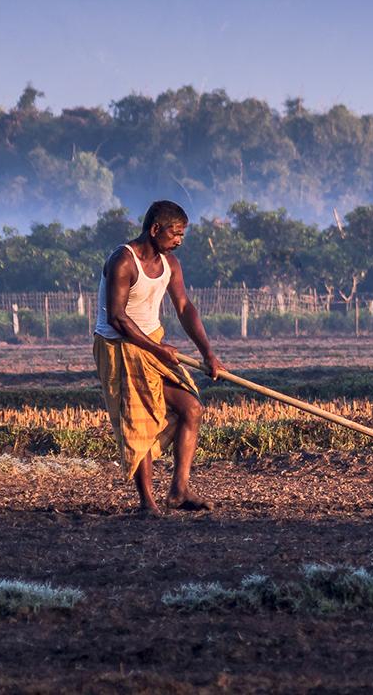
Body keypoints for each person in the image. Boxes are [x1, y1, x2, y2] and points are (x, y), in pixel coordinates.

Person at [92, 200, 222, 514]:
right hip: (120, 347)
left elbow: (184, 307)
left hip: (152, 344)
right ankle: (147, 503)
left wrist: (209, 354)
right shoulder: (123, 261)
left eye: (182, 234)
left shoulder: (170, 265)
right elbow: (117, 318)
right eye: (175, 233)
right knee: (140, 423)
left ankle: (179, 491)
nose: (179, 240)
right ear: (155, 229)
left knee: (191, 408)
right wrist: (157, 349)